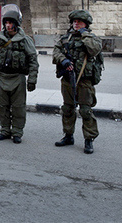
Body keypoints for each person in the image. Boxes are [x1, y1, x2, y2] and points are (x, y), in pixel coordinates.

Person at [0, 4, 39, 144]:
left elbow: (33, 60)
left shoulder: (25, 40)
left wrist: (32, 80)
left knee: (18, 107)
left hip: (18, 78)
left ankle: (17, 132)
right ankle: (5, 130)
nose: (8, 25)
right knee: (2, 106)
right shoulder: (0, 40)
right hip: (2, 77)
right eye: (7, 23)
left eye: (11, 23)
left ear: (16, 24)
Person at [52, 10, 102, 154]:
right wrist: (64, 60)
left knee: (86, 111)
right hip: (68, 79)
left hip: (84, 81)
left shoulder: (91, 38)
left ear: (86, 24)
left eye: (79, 22)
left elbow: (94, 50)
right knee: (68, 109)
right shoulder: (66, 38)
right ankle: (68, 136)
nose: (76, 24)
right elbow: (56, 51)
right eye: (74, 22)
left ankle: (89, 139)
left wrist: (84, 34)